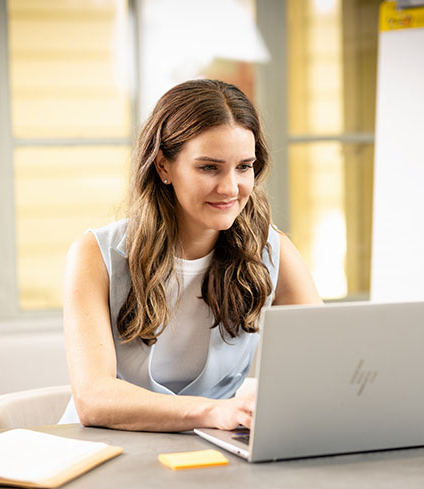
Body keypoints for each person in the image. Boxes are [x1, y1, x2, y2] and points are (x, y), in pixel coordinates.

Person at [59, 78, 321, 432]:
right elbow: (93, 398)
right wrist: (214, 412)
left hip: (213, 458)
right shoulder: (97, 255)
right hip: (106, 455)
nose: (230, 188)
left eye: (244, 167)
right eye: (209, 167)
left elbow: (326, 366)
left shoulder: (273, 252)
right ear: (164, 166)